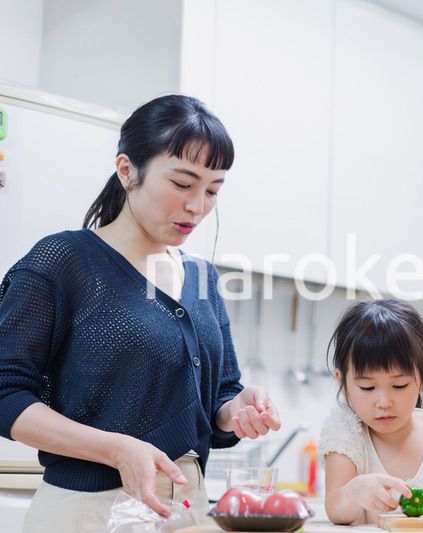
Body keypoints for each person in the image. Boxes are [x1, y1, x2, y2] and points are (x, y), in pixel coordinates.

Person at [0, 95, 281, 532]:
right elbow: (5, 396)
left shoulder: (203, 278)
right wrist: (115, 449)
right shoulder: (63, 262)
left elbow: (221, 396)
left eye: (212, 190)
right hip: (87, 513)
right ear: (128, 170)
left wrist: (236, 409)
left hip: (189, 511)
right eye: (183, 184)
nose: (198, 207)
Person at [320, 299, 423, 525]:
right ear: (343, 383)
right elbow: (335, 510)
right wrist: (353, 492)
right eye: (367, 387)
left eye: (399, 386)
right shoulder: (346, 433)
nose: (384, 402)